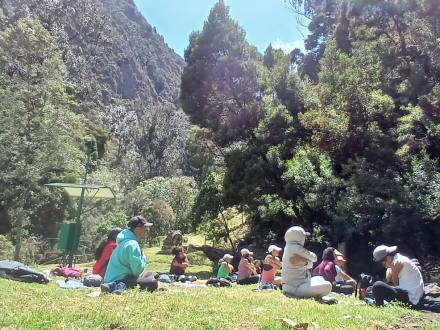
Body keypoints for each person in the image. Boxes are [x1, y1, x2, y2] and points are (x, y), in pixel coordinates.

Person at [101, 216, 158, 294]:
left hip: (110, 278)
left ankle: (111, 285)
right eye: (145, 229)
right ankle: (117, 285)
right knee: (152, 282)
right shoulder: (132, 244)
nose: (146, 231)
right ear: (137, 229)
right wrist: (143, 257)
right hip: (121, 278)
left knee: (151, 275)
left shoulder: (124, 241)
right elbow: (137, 271)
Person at [281, 226, 335, 303]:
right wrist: (306, 262)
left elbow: (310, 265)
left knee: (320, 278)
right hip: (296, 288)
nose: (305, 239)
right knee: (328, 285)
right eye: (304, 236)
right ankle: (320, 296)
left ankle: (319, 295)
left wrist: (304, 262)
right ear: (299, 237)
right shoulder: (296, 248)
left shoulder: (288, 247)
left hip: (294, 285)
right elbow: (314, 258)